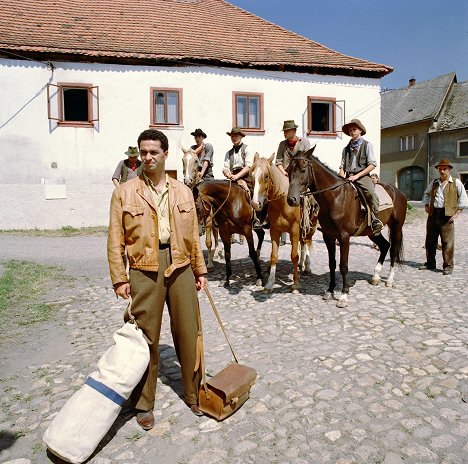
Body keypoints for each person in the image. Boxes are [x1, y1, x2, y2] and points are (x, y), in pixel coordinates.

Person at [108, 129, 208, 430]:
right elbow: (115, 238)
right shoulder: (124, 192)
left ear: (165, 154)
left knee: (190, 332)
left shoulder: (182, 191)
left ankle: (193, 394)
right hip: (143, 268)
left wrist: (199, 270)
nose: (148, 157)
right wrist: (119, 278)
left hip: (180, 265)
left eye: (154, 152)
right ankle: (143, 402)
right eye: (143, 152)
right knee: (145, 338)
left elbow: (192, 235)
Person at [419, 159, 468, 275]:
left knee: (447, 242)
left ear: (449, 169)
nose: (442, 171)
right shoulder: (434, 182)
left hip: (447, 215)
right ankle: (430, 263)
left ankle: (448, 266)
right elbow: (426, 194)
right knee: (430, 241)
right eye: (440, 169)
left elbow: (463, 199)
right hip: (433, 214)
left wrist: (457, 213)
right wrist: (426, 205)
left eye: (444, 168)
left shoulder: (456, 183)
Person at [338, 119, 383, 235]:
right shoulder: (345, 149)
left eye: (354, 129)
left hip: (362, 176)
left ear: (360, 131)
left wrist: (357, 176)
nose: (352, 132)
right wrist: (340, 178)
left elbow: (372, 164)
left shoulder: (367, 145)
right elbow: (342, 166)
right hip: (348, 176)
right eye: (350, 130)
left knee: (370, 193)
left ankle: (375, 219)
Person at [276, 120, 311, 244]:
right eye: (284, 131)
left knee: (309, 199)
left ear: (294, 131)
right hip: (285, 176)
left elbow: (308, 161)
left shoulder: (304, 142)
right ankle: (269, 221)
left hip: (300, 177)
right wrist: (283, 172)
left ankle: (308, 224)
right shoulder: (282, 144)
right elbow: (278, 161)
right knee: (277, 197)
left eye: (287, 131)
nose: (284, 133)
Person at [222, 127, 262, 229]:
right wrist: (228, 174)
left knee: (251, 192)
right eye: (232, 136)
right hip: (232, 176)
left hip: (245, 176)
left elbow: (248, 167)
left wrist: (237, 176)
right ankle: (223, 217)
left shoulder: (248, 149)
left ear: (241, 137)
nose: (234, 137)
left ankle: (256, 217)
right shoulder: (228, 153)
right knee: (222, 193)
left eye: (236, 136)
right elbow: (225, 168)